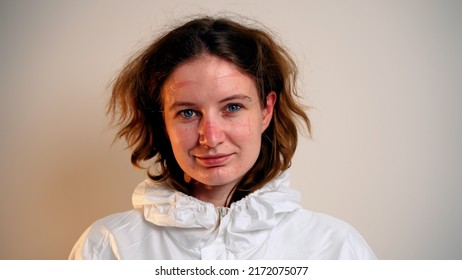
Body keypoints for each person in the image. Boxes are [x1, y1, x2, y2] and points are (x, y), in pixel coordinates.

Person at [69, 15, 376, 260]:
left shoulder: (336, 249)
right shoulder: (108, 247)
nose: (211, 138)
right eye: (188, 113)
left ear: (266, 111)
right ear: (162, 120)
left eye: (232, 107)